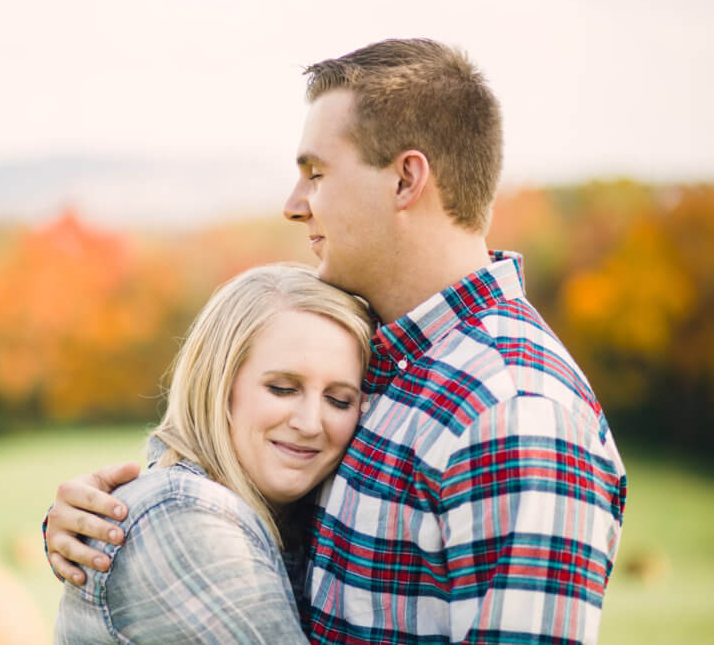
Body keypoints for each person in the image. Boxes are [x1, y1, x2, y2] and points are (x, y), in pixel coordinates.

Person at [45, 39, 628, 644]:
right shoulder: (385, 361)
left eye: (317, 175)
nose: (294, 205)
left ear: (405, 180)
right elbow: (247, 518)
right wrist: (112, 527)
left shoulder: (515, 411)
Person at [53, 263, 373, 643]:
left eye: (339, 400)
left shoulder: (294, 516)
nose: (310, 423)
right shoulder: (182, 515)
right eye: (282, 389)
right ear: (218, 384)